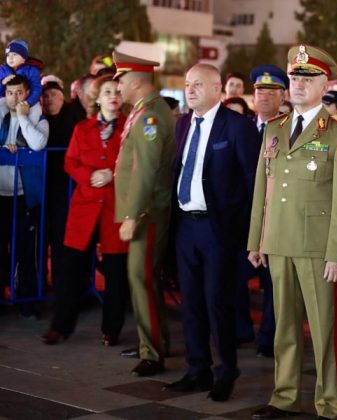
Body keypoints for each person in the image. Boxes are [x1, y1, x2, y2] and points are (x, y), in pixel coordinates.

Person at [248, 45, 337, 420]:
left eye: (307, 78)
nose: (298, 84)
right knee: (284, 327)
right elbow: (263, 189)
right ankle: (284, 397)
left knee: (325, 331)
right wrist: (256, 239)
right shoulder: (275, 128)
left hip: (317, 247)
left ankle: (328, 404)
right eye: (294, 77)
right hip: (278, 241)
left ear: (325, 85)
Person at [162, 63, 259, 401]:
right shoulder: (183, 123)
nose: (190, 90)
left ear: (218, 89)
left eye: (198, 84)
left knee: (218, 302)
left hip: (220, 229)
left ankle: (226, 371)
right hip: (185, 226)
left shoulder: (238, 126)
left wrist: (249, 233)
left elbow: (252, 182)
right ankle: (197, 369)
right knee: (190, 303)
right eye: (188, 84)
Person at [41, 74, 129, 345]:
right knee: (71, 270)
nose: (113, 96)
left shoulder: (130, 127)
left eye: (117, 91)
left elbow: (137, 164)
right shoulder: (82, 128)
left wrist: (113, 174)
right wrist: (89, 176)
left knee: (115, 271)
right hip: (84, 207)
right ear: (97, 98)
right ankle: (60, 326)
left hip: (115, 208)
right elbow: (70, 162)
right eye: (107, 92)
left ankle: (111, 329)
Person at [112, 51, 175, 377]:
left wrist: (133, 214)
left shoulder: (150, 116)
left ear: (136, 81)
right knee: (145, 279)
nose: (118, 87)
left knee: (141, 278)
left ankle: (152, 352)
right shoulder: (144, 111)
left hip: (148, 212)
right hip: (146, 211)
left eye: (121, 81)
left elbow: (146, 170)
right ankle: (154, 342)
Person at [243, 64, 289, 357]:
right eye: (260, 91)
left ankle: (269, 336)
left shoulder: (289, 130)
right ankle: (240, 330)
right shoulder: (243, 127)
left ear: (283, 96)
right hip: (243, 216)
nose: (264, 97)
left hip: (275, 217)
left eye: (272, 92)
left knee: (274, 283)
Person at [0, 75, 49, 318]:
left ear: (28, 93)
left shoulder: (38, 117)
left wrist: (22, 117)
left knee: (26, 250)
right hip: (0, 194)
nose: (14, 97)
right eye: (10, 93)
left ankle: (26, 301)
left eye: (19, 92)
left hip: (23, 195)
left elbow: (38, 144)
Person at [40, 75, 83, 293]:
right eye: (45, 96)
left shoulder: (72, 116)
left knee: (61, 238)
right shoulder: (38, 118)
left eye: (53, 95)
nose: (49, 99)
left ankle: (61, 285)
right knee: (41, 238)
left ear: (61, 97)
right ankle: (40, 284)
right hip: (42, 186)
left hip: (66, 187)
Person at [0, 39, 42, 107]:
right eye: (8, 55)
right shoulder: (2, 70)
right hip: (8, 101)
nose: (10, 58)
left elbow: (36, 89)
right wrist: (2, 83)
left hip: (27, 101)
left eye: (14, 54)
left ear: (24, 58)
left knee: (36, 110)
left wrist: (29, 103)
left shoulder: (31, 71)